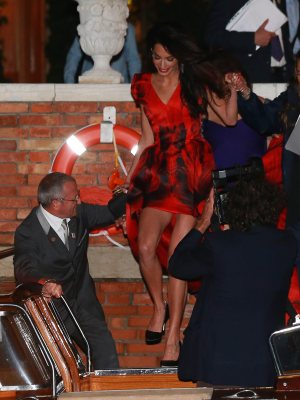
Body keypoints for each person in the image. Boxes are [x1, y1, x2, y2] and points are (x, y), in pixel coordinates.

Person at [125, 22, 239, 366]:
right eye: (157, 58)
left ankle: (173, 335)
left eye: (169, 58)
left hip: (191, 172)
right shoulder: (143, 86)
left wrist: (232, 88)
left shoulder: (194, 83)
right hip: (158, 172)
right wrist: (130, 182)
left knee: (177, 256)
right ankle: (159, 306)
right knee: (145, 247)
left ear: (180, 59)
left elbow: (230, 119)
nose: (162, 64)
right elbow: (146, 139)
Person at [169, 176, 297, 387]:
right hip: (264, 366)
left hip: (218, 365)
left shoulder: (219, 244)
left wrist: (202, 224)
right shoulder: (287, 244)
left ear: (233, 208)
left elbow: (178, 265)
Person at [14, 172, 127, 370]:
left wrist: (133, 189)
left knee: (104, 349)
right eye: (74, 197)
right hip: (54, 309)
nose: (79, 200)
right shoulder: (29, 231)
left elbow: (110, 212)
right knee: (67, 368)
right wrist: (44, 283)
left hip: (84, 301)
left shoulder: (79, 214)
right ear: (56, 203)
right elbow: (23, 268)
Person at [236, 51, 300, 287]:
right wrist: (245, 93)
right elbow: (264, 120)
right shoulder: (292, 99)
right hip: (296, 206)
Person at [203, 51, 267, 169]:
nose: (234, 80)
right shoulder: (206, 108)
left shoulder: (259, 103)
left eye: (237, 76)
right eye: (229, 77)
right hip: (218, 182)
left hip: (255, 182)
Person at [204, 0, 294, 83]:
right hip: (250, 78)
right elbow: (212, 36)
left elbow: (284, 37)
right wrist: (251, 39)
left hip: (284, 76)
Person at [64, 22, 142, 83]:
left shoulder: (126, 28)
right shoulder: (87, 25)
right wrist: (69, 83)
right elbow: (73, 56)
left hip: (118, 86)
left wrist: (134, 87)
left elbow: (133, 59)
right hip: (88, 84)